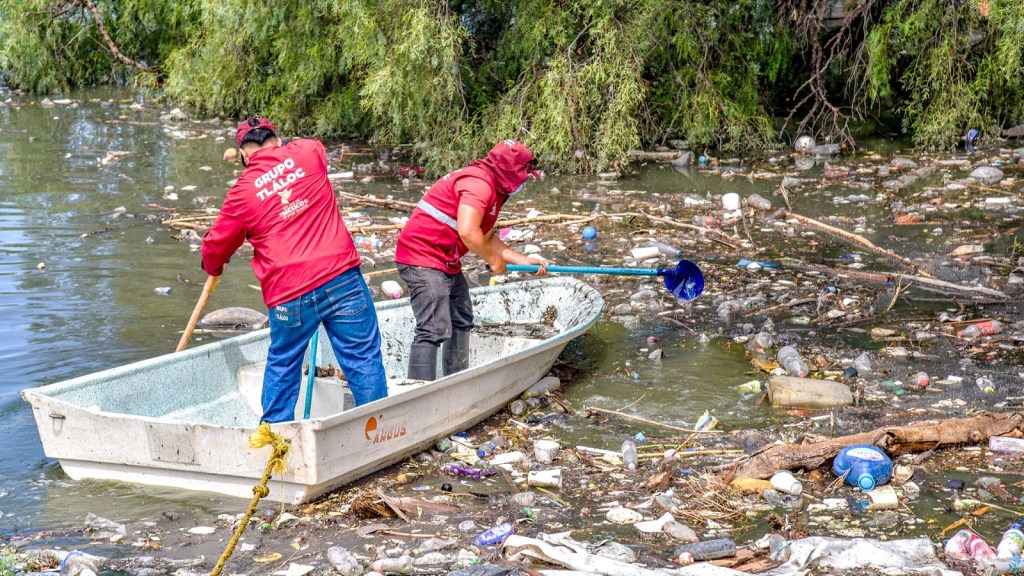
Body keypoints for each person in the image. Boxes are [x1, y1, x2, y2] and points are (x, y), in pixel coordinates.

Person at [201, 117, 388, 423]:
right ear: (276, 139)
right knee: (362, 357)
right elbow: (315, 145)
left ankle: (275, 439)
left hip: (290, 293)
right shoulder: (306, 153)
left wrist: (213, 263)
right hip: (340, 278)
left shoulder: (241, 192)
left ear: (245, 155)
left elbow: (215, 248)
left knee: (284, 363)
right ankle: (377, 433)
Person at [395, 140, 547, 381]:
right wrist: (493, 261)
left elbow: (486, 236)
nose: (525, 180)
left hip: (445, 259)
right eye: (523, 174)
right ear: (510, 170)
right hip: (421, 256)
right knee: (433, 327)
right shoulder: (479, 185)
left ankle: (456, 380)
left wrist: (523, 260)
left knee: (461, 318)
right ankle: (417, 390)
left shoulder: (495, 189)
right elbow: (468, 232)